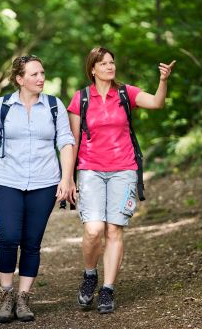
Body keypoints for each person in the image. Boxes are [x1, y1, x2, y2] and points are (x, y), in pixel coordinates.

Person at [67, 46, 175, 314]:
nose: (109, 67)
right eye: (103, 64)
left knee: (114, 230)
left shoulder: (127, 93)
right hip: (90, 169)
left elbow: (157, 103)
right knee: (93, 230)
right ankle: (90, 275)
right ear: (92, 69)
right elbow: (73, 141)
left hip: (123, 169)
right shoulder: (80, 98)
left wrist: (163, 81)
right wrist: (68, 178)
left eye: (112, 62)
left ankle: (108, 289)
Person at [0, 55, 76, 323]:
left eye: (42, 73)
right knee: (9, 238)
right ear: (20, 79)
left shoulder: (54, 106)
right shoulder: (2, 106)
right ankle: (6, 294)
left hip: (45, 182)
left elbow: (66, 142)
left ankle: (23, 297)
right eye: (34, 74)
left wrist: (67, 179)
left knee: (32, 242)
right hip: (7, 180)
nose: (40, 78)